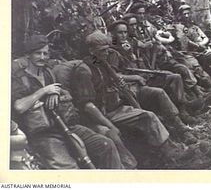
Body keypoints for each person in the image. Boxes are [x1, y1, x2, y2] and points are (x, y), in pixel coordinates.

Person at [72, 31, 195, 166]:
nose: (107, 53)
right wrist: (110, 125)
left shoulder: (102, 63)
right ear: (91, 51)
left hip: (115, 107)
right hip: (103, 114)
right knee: (146, 118)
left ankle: (170, 152)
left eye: (107, 50)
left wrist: (133, 102)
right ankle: (164, 155)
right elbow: (88, 106)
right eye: (102, 50)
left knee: (148, 116)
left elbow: (118, 83)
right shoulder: (84, 70)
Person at [11, 35, 122, 169]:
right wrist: (44, 91)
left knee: (105, 144)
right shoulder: (20, 78)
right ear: (28, 55)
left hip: (66, 125)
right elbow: (19, 106)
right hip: (44, 134)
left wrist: (56, 92)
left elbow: (64, 93)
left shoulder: (48, 73)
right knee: (69, 168)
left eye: (45, 53)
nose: (42, 57)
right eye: (37, 53)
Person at [175, 4, 211, 82]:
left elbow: (205, 38)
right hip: (190, 53)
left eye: (188, 13)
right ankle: (209, 84)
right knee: (196, 66)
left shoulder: (194, 27)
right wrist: (198, 45)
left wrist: (202, 44)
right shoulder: (179, 27)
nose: (186, 16)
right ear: (180, 15)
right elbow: (186, 41)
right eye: (184, 14)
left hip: (202, 50)